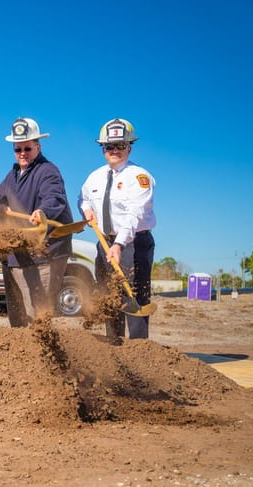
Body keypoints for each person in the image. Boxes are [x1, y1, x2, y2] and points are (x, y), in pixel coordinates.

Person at [79, 118, 156, 339]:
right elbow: (83, 199)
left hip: (135, 244)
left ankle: (139, 350)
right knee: (109, 294)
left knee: (135, 295)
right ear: (103, 148)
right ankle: (114, 344)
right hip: (105, 242)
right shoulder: (94, 177)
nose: (115, 150)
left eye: (120, 145)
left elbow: (135, 213)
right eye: (109, 146)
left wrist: (120, 244)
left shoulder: (139, 177)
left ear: (129, 147)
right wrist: (86, 210)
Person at [0, 117, 74, 326]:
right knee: (21, 317)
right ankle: (25, 355)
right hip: (20, 254)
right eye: (17, 149)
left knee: (38, 313)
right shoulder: (13, 175)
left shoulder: (48, 171)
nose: (22, 153)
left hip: (45, 253)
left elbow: (54, 198)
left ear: (38, 146)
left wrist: (42, 211)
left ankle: (44, 353)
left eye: (27, 148)